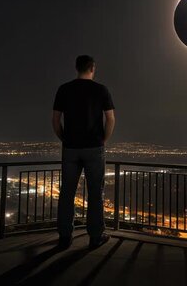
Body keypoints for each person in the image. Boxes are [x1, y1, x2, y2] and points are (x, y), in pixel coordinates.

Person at [52, 55, 116, 249]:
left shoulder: (64, 89)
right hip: (94, 148)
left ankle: (65, 236)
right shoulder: (101, 90)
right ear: (93, 68)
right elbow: (111, 119)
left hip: (71, 148)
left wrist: (65, 139)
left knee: (67, 193)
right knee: (96, 193)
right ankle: (96, 236)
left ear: (76, 68)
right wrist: (103, 140)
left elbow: (56, 121)